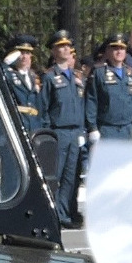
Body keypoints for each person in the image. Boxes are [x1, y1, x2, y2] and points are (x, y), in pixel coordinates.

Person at [79, 35, 132, 221]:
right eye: (114, 48)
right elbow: (91, 101)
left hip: (127, 129)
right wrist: (92, 128)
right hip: (107, 129)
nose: (119, 52)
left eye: (122, 48)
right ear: (107, 52)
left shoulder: (130, 73)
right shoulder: (98, 73)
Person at [39, 33, 88, 207]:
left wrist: (82, 130)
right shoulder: (50, 77)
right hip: (58, 131)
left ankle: (66, 212)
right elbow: (43, 108)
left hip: (75, 131)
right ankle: (54, 212)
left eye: (68, 46)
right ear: (53, 51)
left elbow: (82, 105)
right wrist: (48, 134)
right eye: (61, 46)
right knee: (56, 176)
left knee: (71, 175)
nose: (66, 49)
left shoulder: (77, 77)